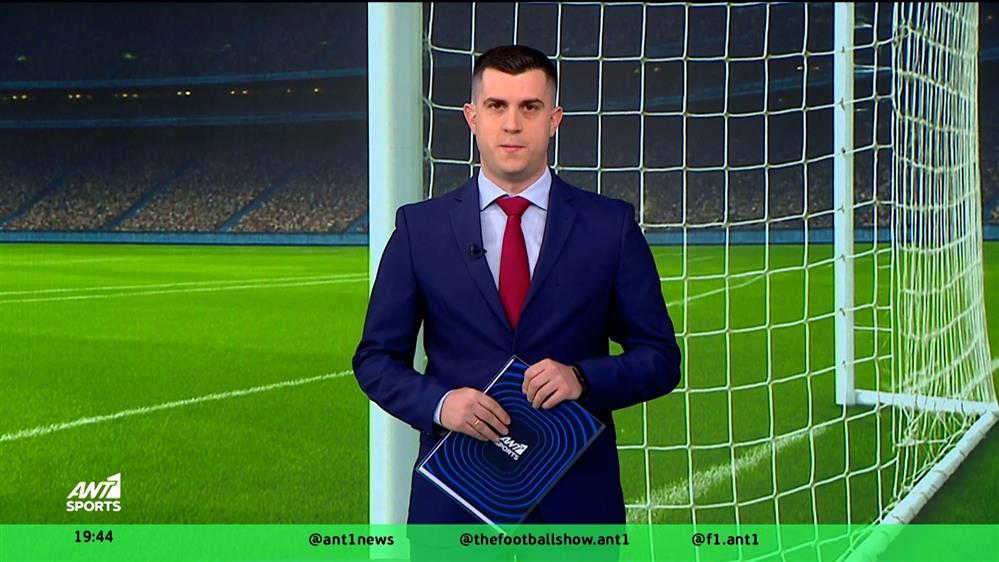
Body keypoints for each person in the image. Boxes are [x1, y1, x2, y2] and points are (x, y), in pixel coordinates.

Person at [352, 44, 681, 556]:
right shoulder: (420, 229)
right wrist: (442, 404)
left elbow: (660, 359)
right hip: (456, 504)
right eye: (496, 106)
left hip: (575, 508)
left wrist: (582, 378)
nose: (512, 124)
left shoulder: (609, 226)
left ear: (554, 119)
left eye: (529, 107)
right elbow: (375, 359)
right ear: (472, 117)